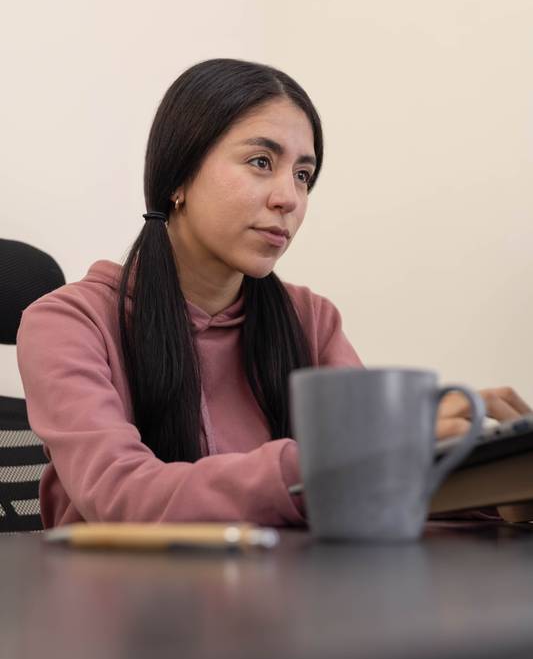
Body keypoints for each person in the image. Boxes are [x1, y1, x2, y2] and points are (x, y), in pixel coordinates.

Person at [16, 58, 531, 528]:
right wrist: (340, 458)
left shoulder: (311, 319)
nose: (289, 198)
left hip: (286, 611)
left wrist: (495, 482)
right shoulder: (68, 322)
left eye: (303, 175)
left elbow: (377, 479)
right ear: (178, 178)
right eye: (261, 162)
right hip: (123, 615)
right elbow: (122, 495)